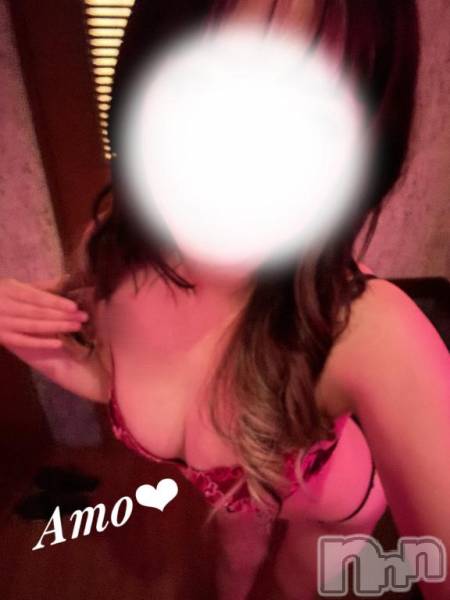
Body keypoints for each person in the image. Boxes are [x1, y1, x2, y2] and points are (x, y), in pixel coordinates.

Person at [1, 1, 449, 599]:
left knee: (294, 585)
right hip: (240, 500)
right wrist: (69, 361)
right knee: (233, 568)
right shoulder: (112, 254)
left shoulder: (369, 330)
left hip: (337, 508)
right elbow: (129, 377)